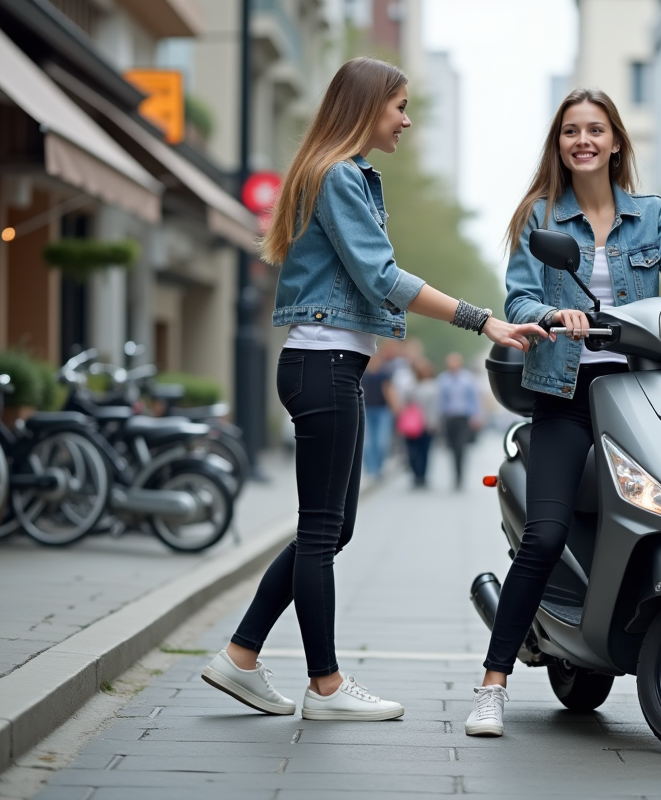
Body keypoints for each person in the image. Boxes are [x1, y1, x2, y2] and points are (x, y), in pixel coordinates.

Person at [201, 57, 546, 723]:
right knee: (323, 529)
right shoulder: (337, 176)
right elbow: (380, 275)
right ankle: (325, 686)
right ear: (367, 107)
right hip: (323, 366)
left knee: (329, 530)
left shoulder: (338, 174)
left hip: (332, 366)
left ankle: (242, 657)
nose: (407, 119)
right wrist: (482, 321)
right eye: (399, 106)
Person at [464, 88, 661, 738]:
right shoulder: (540, 214)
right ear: (560, 144)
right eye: (572, 131)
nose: (584, 140)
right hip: (567, 395)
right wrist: (549, 314)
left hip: (641, 393)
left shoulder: (651, 215)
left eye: (596, 129)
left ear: (616, 141)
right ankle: (492, 683)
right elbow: (517, 291)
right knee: (543, 537)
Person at [438, 352, 482, 490]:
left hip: (464, 418)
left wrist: (477, 416)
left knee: (460, 447)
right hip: (449, 418)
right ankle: (455, 474)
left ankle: (460, 477)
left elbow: (474, 399)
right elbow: (440, 401)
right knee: (452, 448)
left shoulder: (467, 379)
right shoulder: (443, 379)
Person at [398, 357, 439, 488]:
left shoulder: (433, 386)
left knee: (425, 451)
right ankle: (415, 473)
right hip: (412, 424)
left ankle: (422, 476)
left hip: (427, 424)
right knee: (411, 450)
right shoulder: (410, 386)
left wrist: (433, 422)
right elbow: (404, 404)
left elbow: (435, 407)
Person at [361, 351, 396, 479]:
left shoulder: (384, 374)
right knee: (368, 443)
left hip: (382, 411)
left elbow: (389, 391)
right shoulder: (363, 374)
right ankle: (370, 470)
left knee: (382, 442)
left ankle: (378, 468)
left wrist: (395, 408)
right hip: (366, 410)